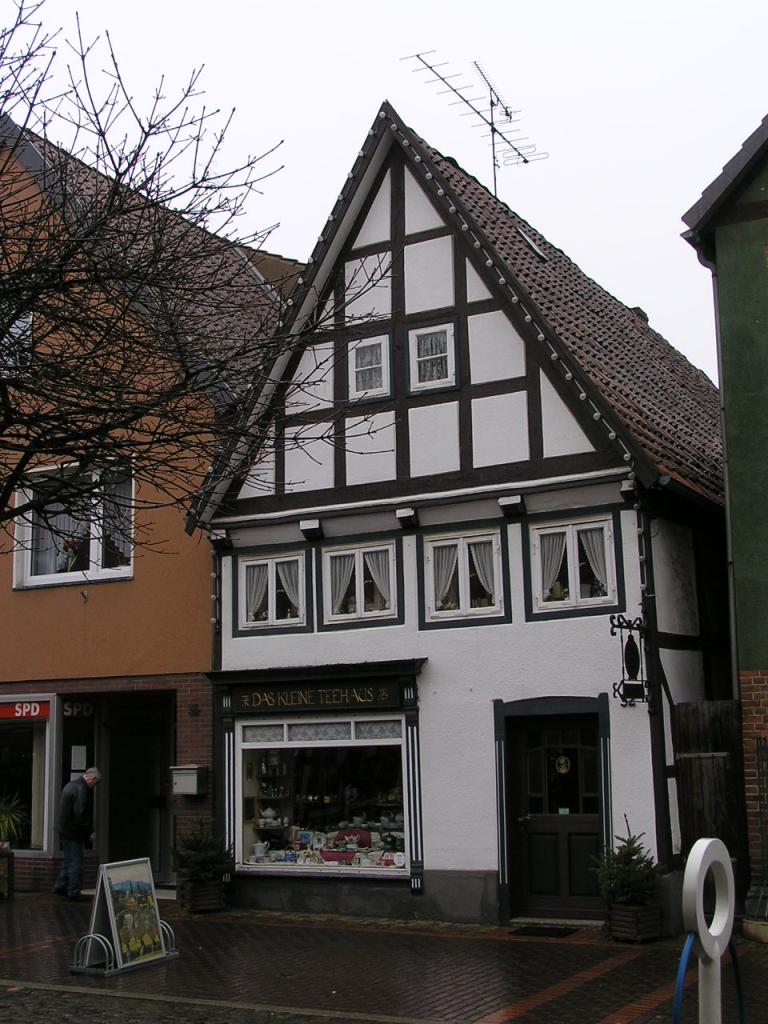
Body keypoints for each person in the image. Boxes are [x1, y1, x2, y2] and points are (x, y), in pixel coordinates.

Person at [53, 766, 101, 900]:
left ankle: (60, 886)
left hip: (63, 829)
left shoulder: (70, 785)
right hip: (73, 832)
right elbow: (80, 814)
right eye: (95, 783)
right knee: (75, 861)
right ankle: (73, 891)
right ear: (92, 778)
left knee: (68, 859)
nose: (94, 786)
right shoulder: (81, 790)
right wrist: (89, 832)